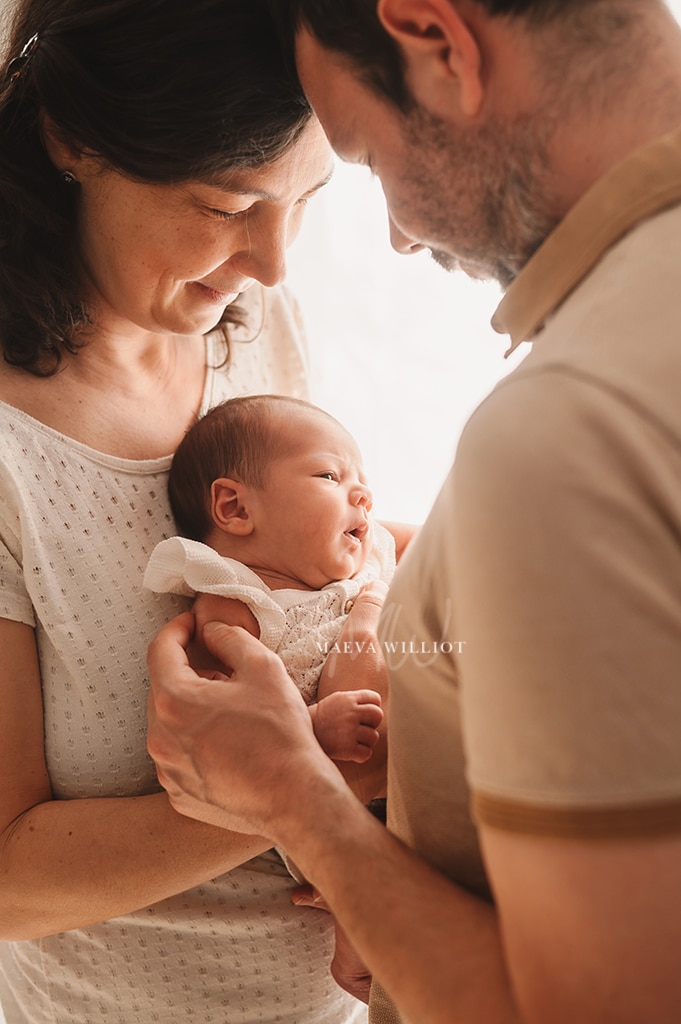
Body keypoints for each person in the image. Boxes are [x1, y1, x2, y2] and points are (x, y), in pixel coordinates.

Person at [146, 1, 681, 1023]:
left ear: (438, 41)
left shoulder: (571, 431)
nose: (397, 232)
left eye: (367, 155)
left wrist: (297, 802)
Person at [0, 0, 383, 1021]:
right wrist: (305, 786)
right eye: (227, 205)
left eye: (305, 201)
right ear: (71, 139)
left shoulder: (257, 323)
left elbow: (341, 560)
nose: (274, 261)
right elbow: (6, 876)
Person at [144, 393, 393, 772]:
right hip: (361, 777)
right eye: (330, 476)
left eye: (362, 481)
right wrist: (313, 726)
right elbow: (218, 724)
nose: (365, 496)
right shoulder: (237, 601)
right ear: (236, 508)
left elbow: (445, 546)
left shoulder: (366, 559)